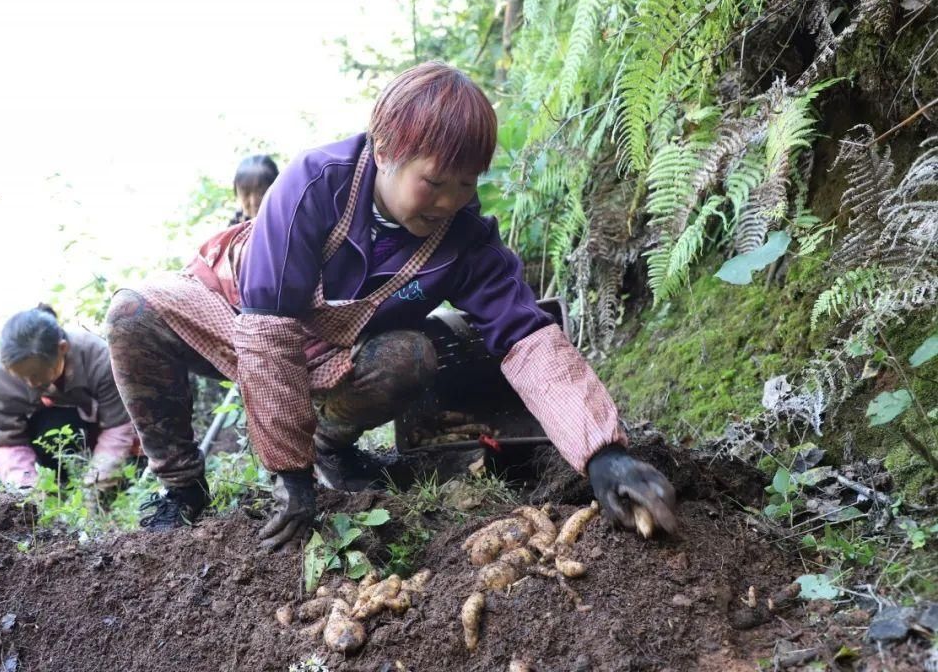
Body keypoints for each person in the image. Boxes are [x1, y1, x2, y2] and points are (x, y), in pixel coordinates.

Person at [106, 61, 678, 546]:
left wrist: (603, 452)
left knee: (412, 354)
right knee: (131, 314)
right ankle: (181, 487)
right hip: (236, 315)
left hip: (330, 354)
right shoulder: (315, 185)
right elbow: (268, 331)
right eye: (435, 182)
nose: (451, 202)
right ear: (385, 152)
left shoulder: (465, 240)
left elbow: (526, 337)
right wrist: (289, 475)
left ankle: (331, 449)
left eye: (467, 184)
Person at [0, 304, 138, 491]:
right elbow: (7, 443)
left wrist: (97, 483)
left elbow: (118, 425)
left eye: (35, 374)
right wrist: (25, 491)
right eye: (21, 377)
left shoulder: (97, 356)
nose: (30, 383)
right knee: (51, 427)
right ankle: (58, 484)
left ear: (62, 349)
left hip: (97, 431)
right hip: (45, 441)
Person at [228, 154, 279, 225]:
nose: (254, 202)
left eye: (262, 192)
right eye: (246, 194)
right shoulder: (235, 230)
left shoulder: (289, 224)